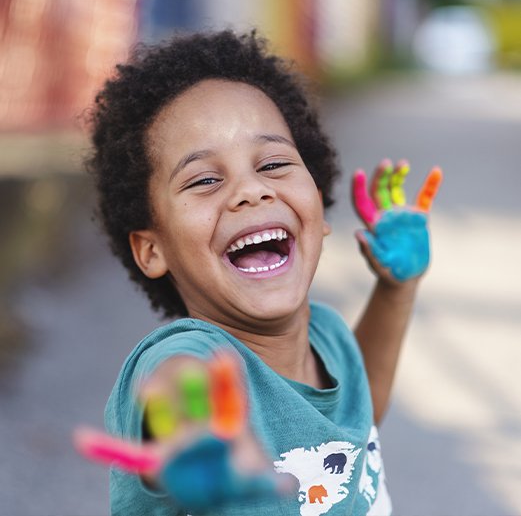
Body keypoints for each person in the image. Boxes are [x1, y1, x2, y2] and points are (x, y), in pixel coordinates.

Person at [79, 29, 442, 516]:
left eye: (273, 164)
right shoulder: (189, 353)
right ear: (151, 249)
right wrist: (195, 437)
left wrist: (396, 290)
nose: (251, 190)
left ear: (317, 199)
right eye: (205, 179)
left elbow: (363, 410)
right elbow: (175, 382)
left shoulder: (328, 335)